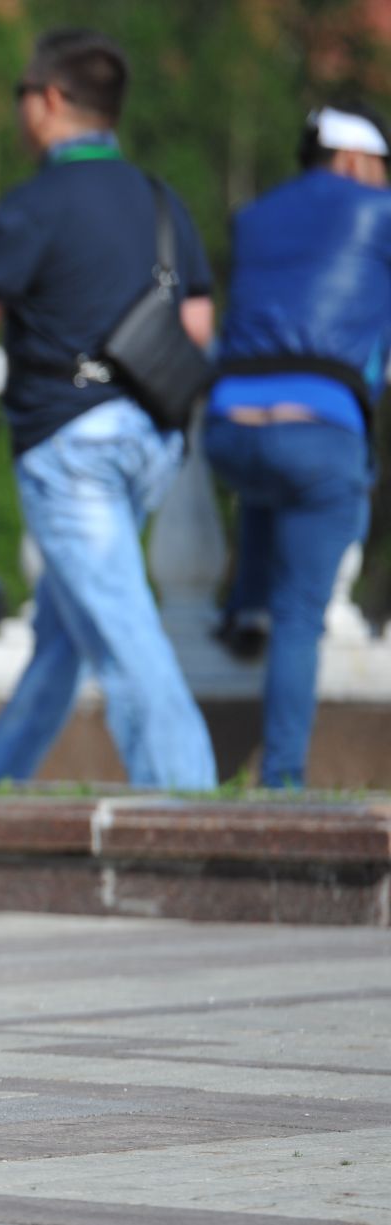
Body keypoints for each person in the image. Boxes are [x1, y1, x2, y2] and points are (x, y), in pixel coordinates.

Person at [0, 28, 218, 789]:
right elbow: (196, 329)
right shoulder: (161, 199)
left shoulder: (36, 203)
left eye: (23, 96)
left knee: (124, 631)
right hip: (149, 439)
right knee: (66, 630)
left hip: (73, 445)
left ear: (53, 99)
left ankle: (187, 798)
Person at [202, 106, 387, 788]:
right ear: (351, 160)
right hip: (320, 429)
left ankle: (243, 606)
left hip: (228, 425)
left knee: (266, 484)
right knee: (302, 615)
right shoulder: (381, 213)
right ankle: (282, 780)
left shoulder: (254, 217)